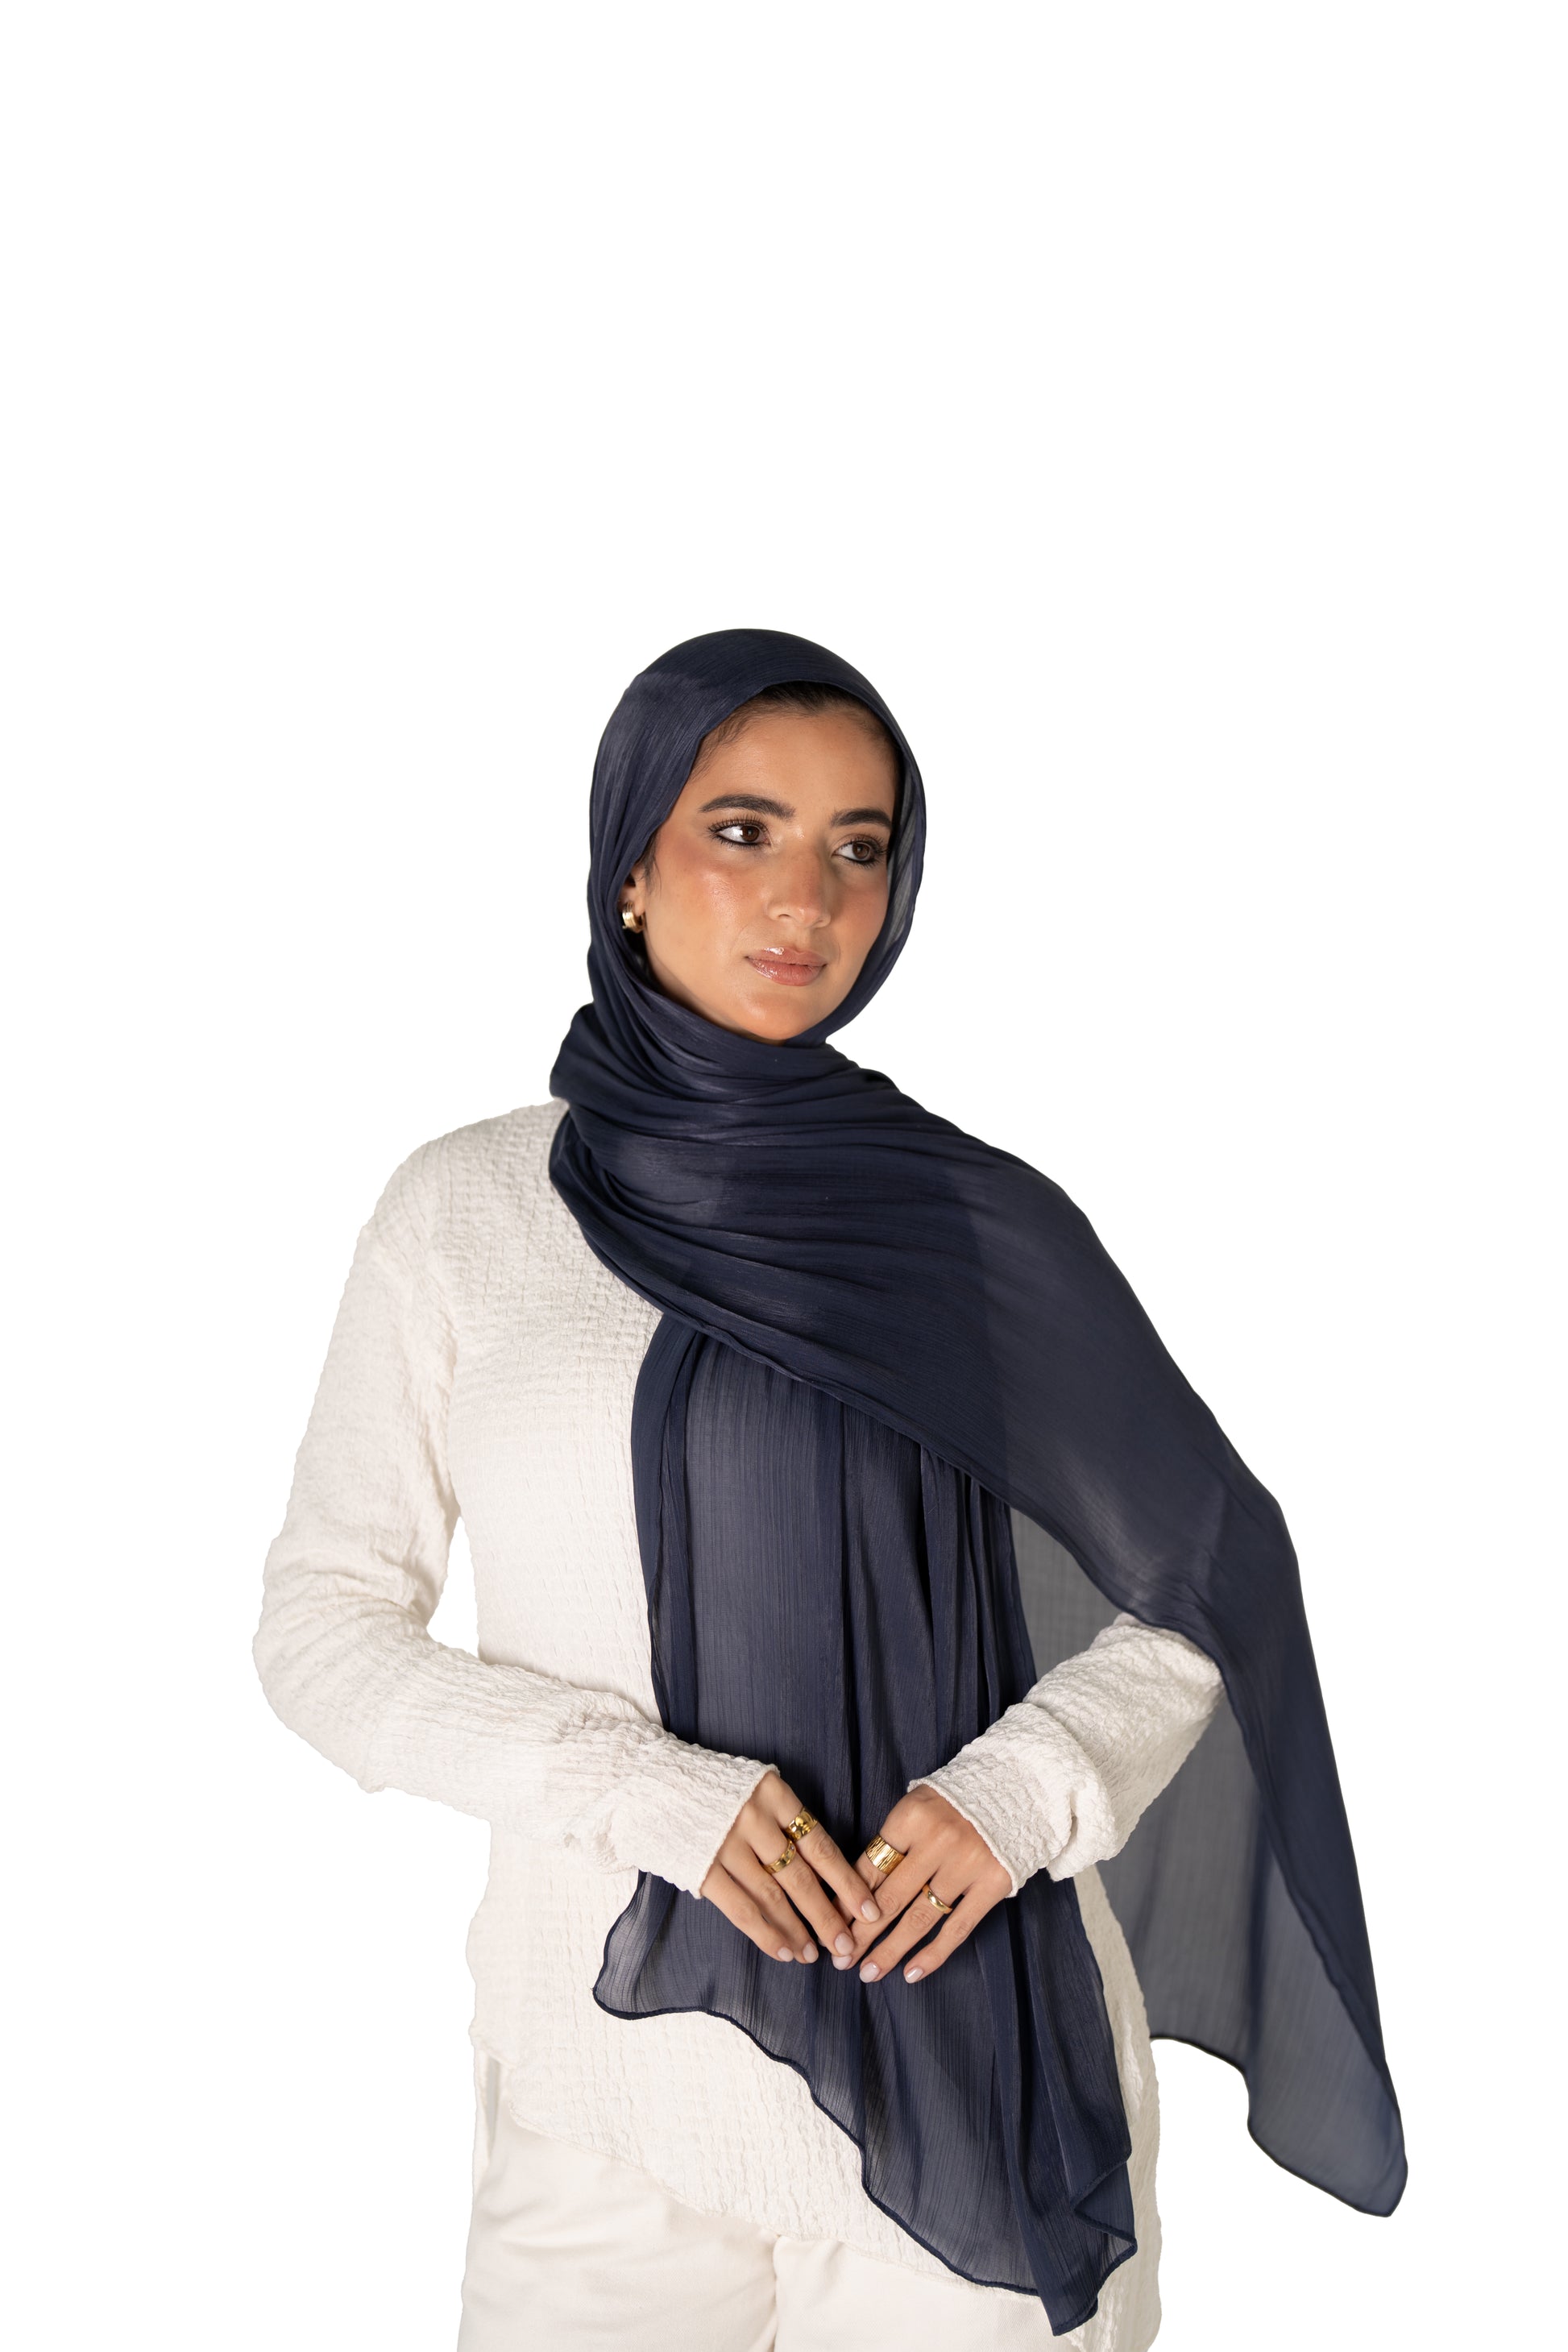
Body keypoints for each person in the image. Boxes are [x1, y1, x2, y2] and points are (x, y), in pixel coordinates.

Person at [255, 628, 1404, 2350]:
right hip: (599, 2092)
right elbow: (322, 1630)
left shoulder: (971, 1229)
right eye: (742, 830)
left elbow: (1204, 1574)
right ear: (629, 864)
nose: (807, 898)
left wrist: (1021, 1792)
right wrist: (642, 1792)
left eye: (858, 847)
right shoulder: (468, 1212)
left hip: (976, 2076)